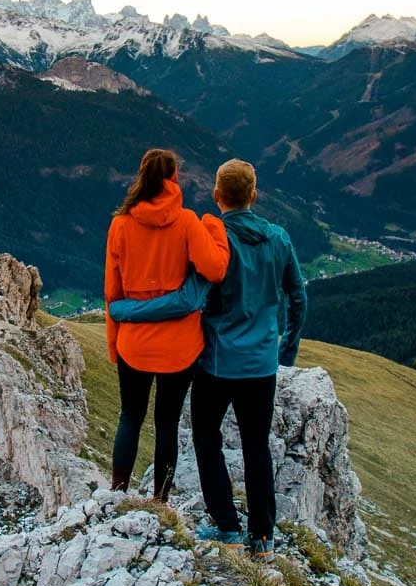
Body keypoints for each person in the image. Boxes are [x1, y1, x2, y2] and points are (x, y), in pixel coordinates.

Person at [110, 158, 307, 561]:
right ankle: (263, 537)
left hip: (216, 362)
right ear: (254, 195)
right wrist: (285, 351)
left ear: (217, 196)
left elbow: (193, 295)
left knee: (205, 439)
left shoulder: (213, 238)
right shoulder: (280, 239)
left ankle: (227, 526)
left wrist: (124, 312)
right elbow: (298, 297)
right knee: (256, 445)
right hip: (262, 365)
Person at [104, 148, 230, 502]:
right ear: (174, 178)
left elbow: (112, 293)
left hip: (135, 344)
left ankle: (117, 491)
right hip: (180, 347)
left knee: (130, 416)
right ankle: (160, 499)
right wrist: (216, 230)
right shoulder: (189, 222)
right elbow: (216, 269)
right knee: (167, 424)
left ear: (141, 177)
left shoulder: (121, 224)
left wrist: (115, 344)